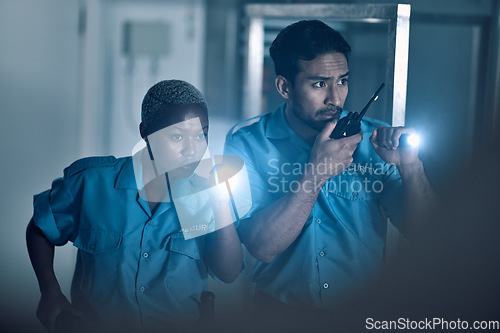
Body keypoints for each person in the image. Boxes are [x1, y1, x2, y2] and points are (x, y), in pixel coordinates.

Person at [224, 20, 437, 312]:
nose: (335, 98)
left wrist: (411, 168)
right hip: (277, 314)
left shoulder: (376, 140)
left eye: (343, 81)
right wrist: (316, 173)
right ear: (285, 87)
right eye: (320, 83)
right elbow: (261, 246)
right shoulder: (247, 141)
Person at [26, 80, 244, 333]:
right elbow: (41, 228)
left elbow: (227, 273)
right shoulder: (91, 183)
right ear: (146, 132)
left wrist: (220, 202)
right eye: (177, 136)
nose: (192, 150)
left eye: (201, 135)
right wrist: (49, 291)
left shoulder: (209, 194)